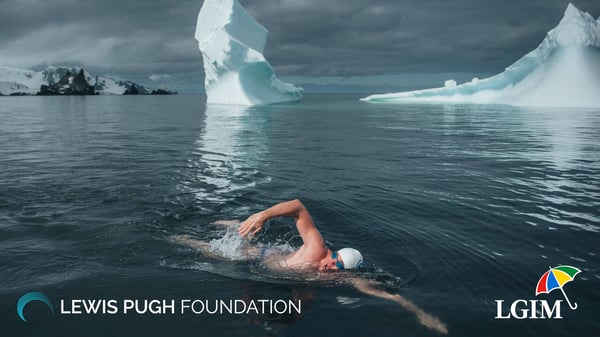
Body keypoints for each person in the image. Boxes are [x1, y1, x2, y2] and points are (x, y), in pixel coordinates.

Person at [172, 199, 447, 334]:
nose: (331, 267)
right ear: (334, 253)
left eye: (338, 268)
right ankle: (181, 235)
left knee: (299, 312)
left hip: (284, 269)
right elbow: (298, 207)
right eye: (334, 260)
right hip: (262, 255)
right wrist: (263, 215)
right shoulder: (317, 248)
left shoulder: (341, 276)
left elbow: (389, 295)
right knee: (212, 252)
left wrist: (422, 315)